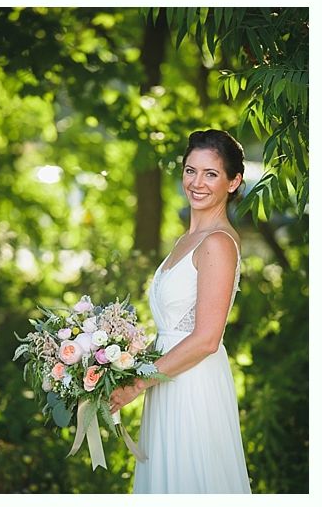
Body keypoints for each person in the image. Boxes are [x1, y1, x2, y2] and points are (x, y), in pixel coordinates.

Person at [109, 129, 250, 493]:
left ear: (234, 182)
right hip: (166, 378)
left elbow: (205, 339)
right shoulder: (186, 240)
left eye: (211, 174)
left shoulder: (218, 244)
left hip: (193, 384)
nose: (197, 183)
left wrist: (136, 385)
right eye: (191, 170)